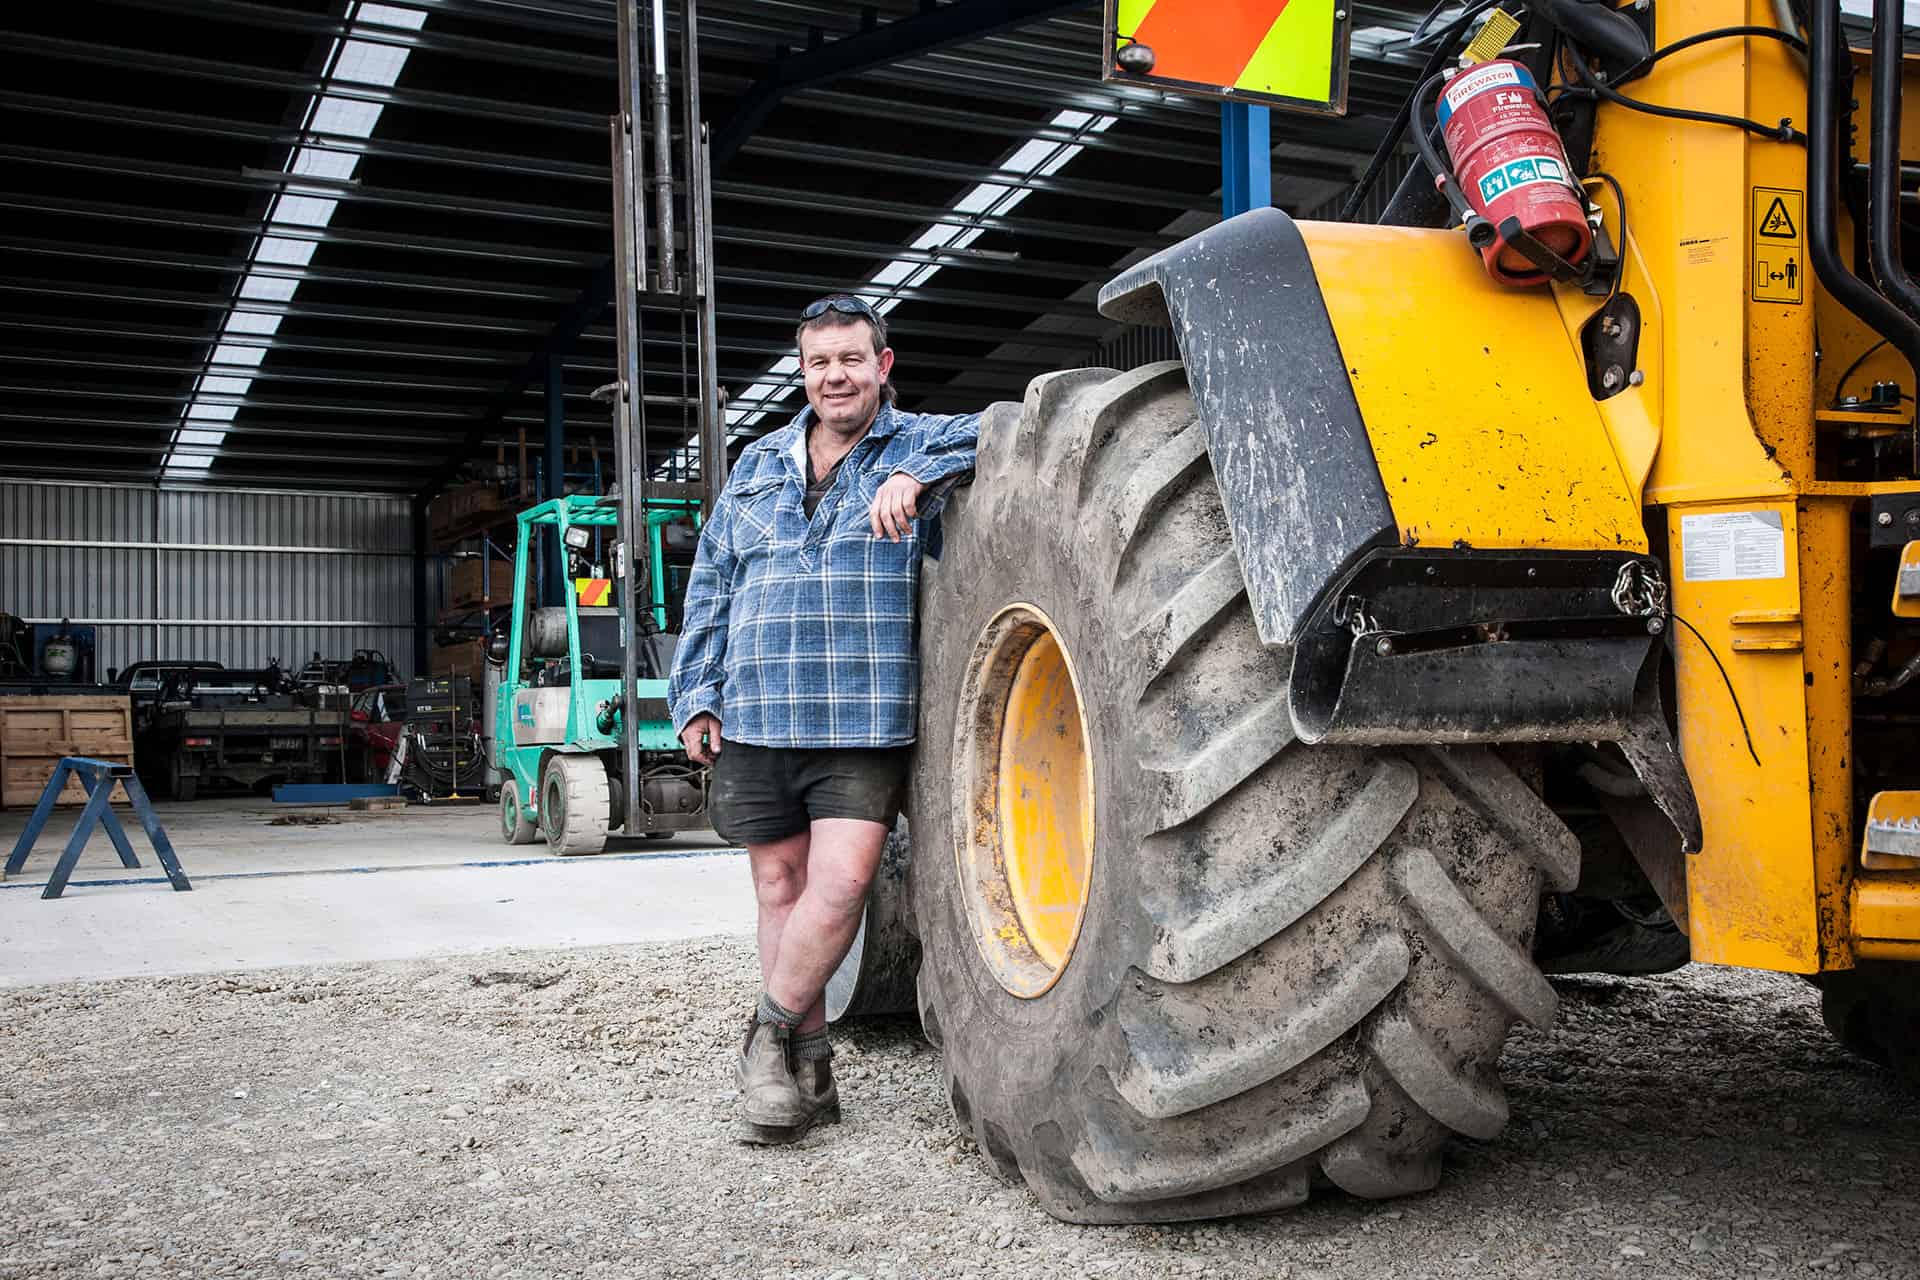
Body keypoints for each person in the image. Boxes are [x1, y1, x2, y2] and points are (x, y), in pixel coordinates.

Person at [667, 294, 980, 1143]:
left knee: (841, 885)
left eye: (850, 359)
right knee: (777, 885)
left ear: (883, 365)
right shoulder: (760, 462)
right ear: (802, 372)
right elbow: (713, 583)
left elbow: (1012, 425)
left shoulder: (915, 440)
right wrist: (694, 692)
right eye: (818, 363)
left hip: (863, 715)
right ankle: (809, 1069)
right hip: (758, 707)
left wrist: (926, 474)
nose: (834, 375)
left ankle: (765, 1036)